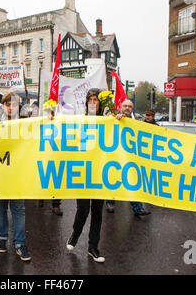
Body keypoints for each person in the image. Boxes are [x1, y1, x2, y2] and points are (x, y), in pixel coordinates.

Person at [66, 88, 105, 263]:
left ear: (100, 104)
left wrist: (120, 118)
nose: (93, 102)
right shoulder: (79, 121)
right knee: (83, 209)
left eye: (96, 100)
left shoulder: (108, 122)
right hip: (83, 173)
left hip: (101, 174)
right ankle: (75, 233)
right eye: (90, 100)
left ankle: (93, 247)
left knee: (97, 212)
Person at [0, 92, 31, 261]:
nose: (10, 107)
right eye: (7, 104)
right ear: (3, 106)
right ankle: (2, 238)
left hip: (18, 174)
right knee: (0, 208)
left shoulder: (25, 124)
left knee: (18, 209)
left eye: (14, 104)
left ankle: (20, 242)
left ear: (18, 107)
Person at [110, 100, 151, 217]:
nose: (127, 108)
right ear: (121, 107)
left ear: (132, 109)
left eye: (130, 106)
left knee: (132, 182)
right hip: (115, 157)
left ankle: (138, 208)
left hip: (130, 158)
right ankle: (110, 202)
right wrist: (116, 119)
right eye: (125, 106)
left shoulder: (136, 122)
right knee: (113, 180)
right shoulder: (114, 118)